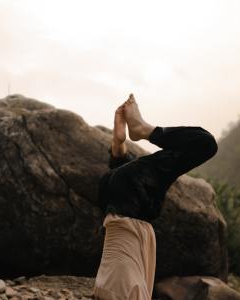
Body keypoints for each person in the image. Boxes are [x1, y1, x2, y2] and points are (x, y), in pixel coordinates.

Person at [93, 94, 218, 300]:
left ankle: (127, 143)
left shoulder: (120, 290)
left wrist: (119, 144)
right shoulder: (111, 289)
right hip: (120, 205)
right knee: (204, 143)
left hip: (123, 204)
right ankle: (130, 141)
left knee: (204, 144)